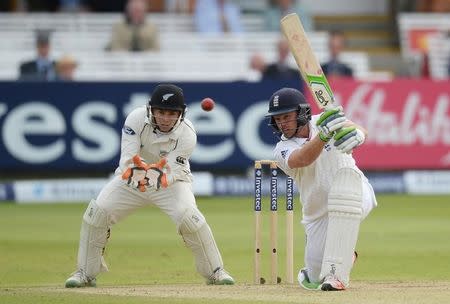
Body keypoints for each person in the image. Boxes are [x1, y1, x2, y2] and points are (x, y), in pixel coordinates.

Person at [65, 84, 235, 288]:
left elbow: (170, 171)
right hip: (132, 180)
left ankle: (216, 271)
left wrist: (157, 175)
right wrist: (135, 171)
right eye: (160, 111)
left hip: (170, 182)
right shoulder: (135, 119)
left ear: (181, 114)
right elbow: (127, 159)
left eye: (172, 113)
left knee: (190, 218)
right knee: (96, 214)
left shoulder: (188, 134)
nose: (165, 118)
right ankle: (85, 273)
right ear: (150, 110)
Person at [265, 87, 377, 291]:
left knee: (344, 204)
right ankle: (338, 258)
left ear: (301, 113)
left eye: (286, 117)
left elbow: (360, 130)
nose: (282, 123)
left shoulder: (324, 120)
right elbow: (303, 158)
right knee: (317, 277)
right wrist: (324, 135)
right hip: (318, 214)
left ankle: (338, 276)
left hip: (355, 190)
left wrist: (358, 136)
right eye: (278, 119)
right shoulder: (281, 149)